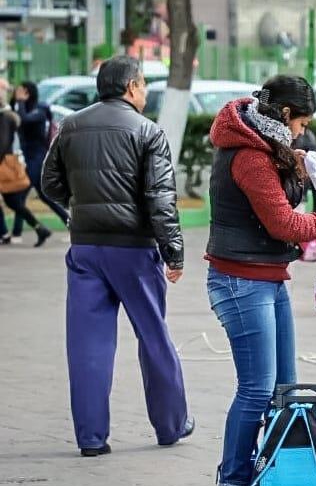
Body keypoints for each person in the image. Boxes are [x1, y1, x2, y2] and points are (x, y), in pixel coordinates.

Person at [205, 75, 316, 486]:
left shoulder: (267, 147)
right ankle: (232, 483)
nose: (303, 131)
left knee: (285, 387)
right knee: (256, 389)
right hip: (239, 280)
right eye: (302, 122)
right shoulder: (249, 156)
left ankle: (279, 475)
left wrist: (297, 166)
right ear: (285, 115)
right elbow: (284, 224)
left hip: (267, 276)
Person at [42, 56, 193, 457]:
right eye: (143, 85)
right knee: (153, 335)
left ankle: (91, 438)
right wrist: (173, 252)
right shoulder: (148, 132)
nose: (144, 93)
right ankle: (170, 425)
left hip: (86, 247)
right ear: (131, 87)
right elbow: (161, 200)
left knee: (87, 344)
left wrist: (83, 203)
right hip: (134, 250)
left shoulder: (71, 126)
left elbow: (50, 184)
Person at [11, 81, 69, 240]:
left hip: (38, 158)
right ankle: (18, 233)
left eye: (22, 92)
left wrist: (21, 101)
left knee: (20, 195)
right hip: (28, 158)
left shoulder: (40, 110)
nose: (19, 95)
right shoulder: (22, 108)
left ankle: (19, 233)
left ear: (28, 93)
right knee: (40, 196)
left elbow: (24, 119)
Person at [0, 80, 51, 247]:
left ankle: (8, 233)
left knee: (15, 201)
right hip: (9, 162)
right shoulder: (7, 115)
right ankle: (38, 229)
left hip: (7, 163)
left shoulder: (6, 117)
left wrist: (20, 100)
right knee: (13, 202)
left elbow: (4, 143)